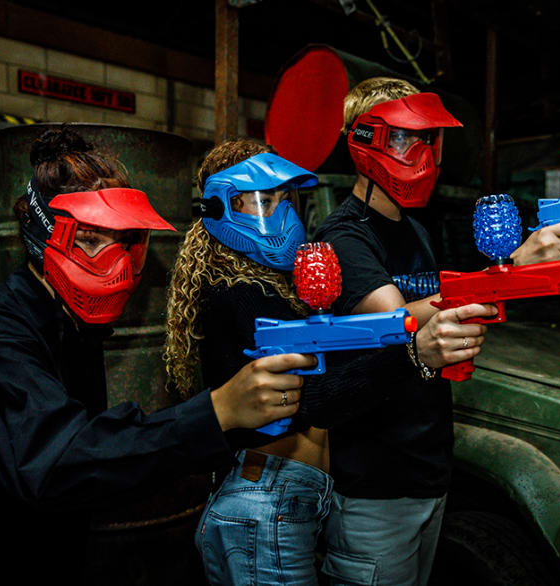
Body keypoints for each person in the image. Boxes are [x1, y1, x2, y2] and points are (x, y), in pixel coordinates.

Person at [0, 127, 310, 585]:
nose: (117, 264)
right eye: (90, 241)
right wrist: (216, 411)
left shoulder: (70, 325)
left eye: (127, 242)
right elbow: (57, 462)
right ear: (44, 237)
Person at [164, 138, 493, 585]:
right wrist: (413, 355)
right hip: (265, 499)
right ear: (223, 207)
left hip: (285, 497)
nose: (281, 213)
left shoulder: (271, 286)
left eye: (285, 199)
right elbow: (309, 400)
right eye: (263, 201)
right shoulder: (238, 293)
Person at [313, 77, 560, 585]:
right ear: (364, 141)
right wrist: (512, 268)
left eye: (429, 140)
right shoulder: (343, 236)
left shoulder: (414, 229)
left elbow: (450, 314)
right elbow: (398, 322)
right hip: (376, 483)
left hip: (429, 470)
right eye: (404, 139)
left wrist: (518, 277)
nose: (421, 154)